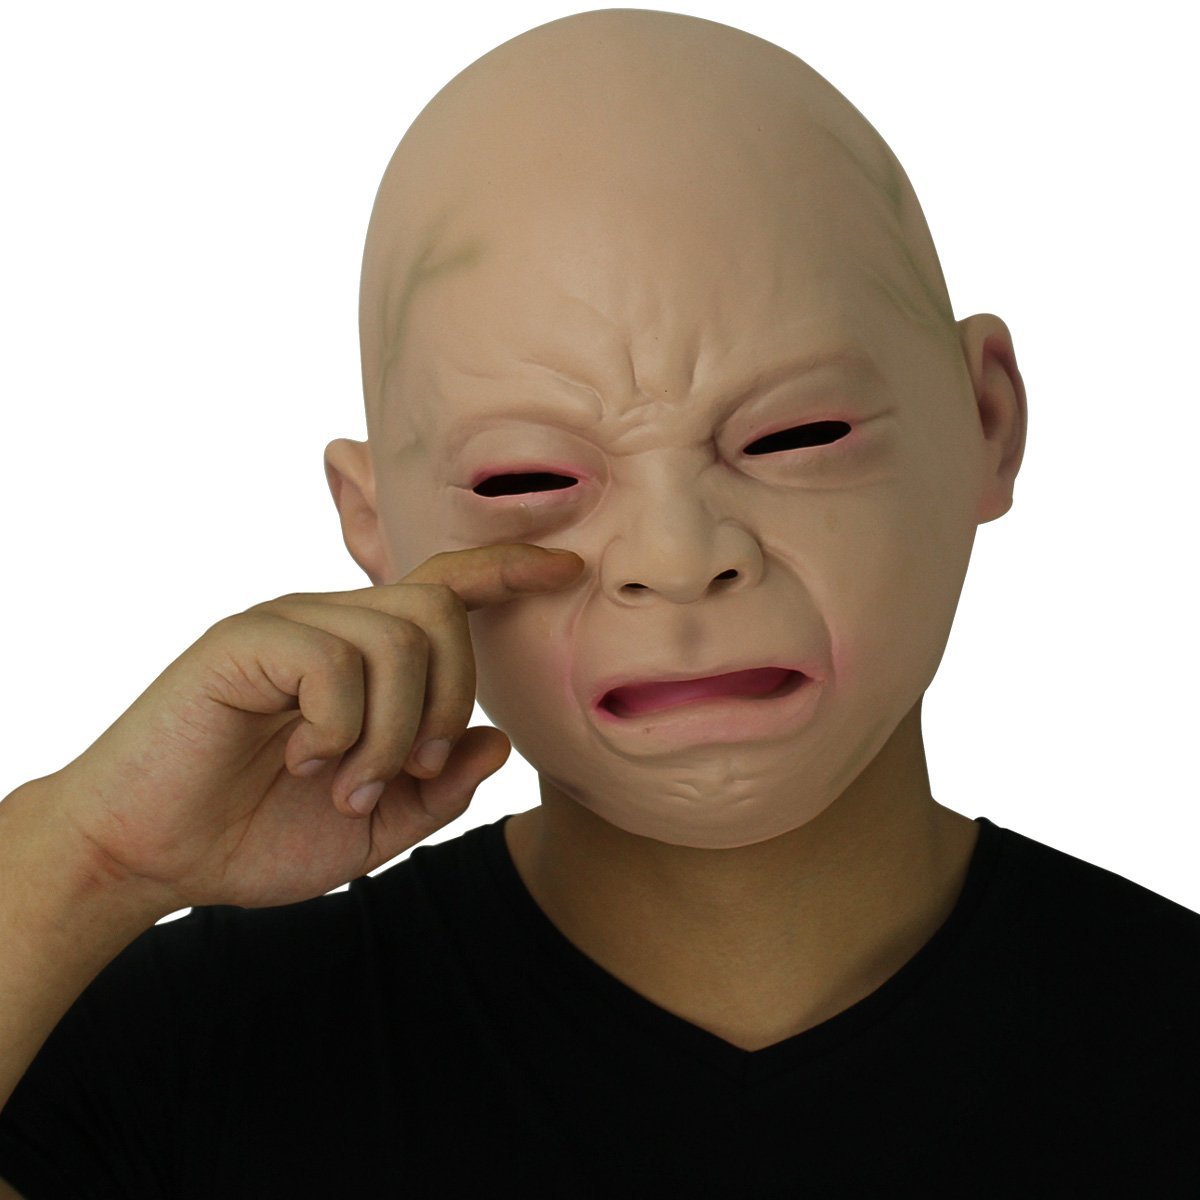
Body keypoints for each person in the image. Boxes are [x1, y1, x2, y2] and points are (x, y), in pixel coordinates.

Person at [0, 8, 1196, 1196]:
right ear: (375, 525)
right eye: (528, 480)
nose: (677, 558)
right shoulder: (171, 1069)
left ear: (985, 422)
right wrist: (86, 857)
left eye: (797, 435)